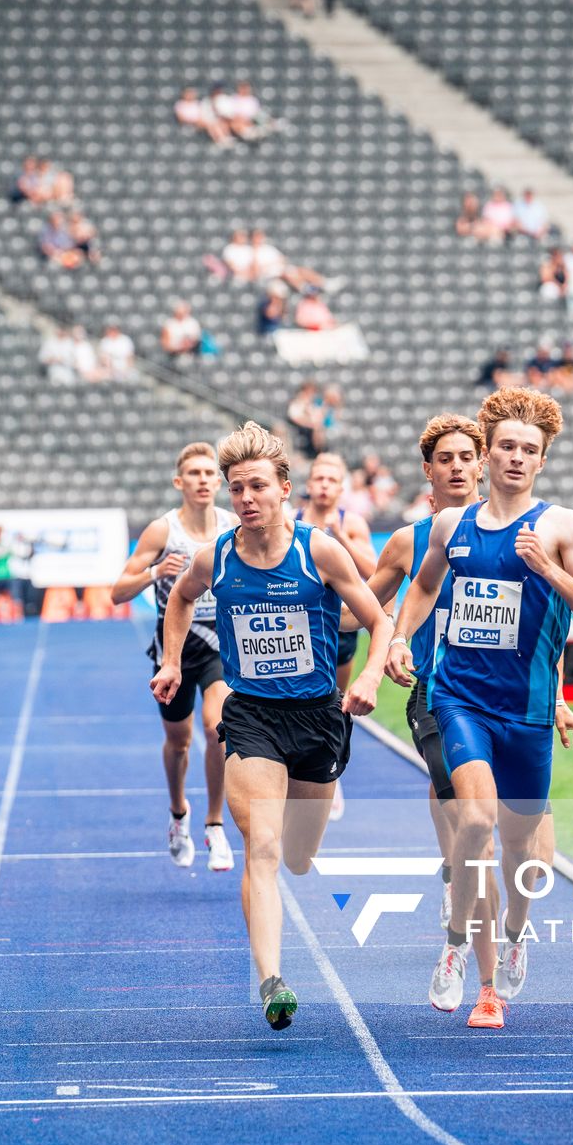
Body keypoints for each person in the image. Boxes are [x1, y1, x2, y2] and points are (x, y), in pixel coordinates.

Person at [152, 423, 392, 1031]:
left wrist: (366, 679)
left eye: (257, 486)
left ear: (285, 489)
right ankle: (271, 981)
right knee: (260, 844)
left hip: (317, 717)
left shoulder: (321, 552)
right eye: (237, 489)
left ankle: (301, 841)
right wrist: (174, 660)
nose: (246, 498)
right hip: (252, 716)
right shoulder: (218, 557)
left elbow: (379, 619)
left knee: (298, 857)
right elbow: (180, 600)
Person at [387, 388, 573, 1029]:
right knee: (477, 822)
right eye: (507, 446)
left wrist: (549, 571)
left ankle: (514, 934)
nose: (516, 458)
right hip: (461, 702)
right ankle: (464, 955)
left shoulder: (560, 526)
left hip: (528, 717)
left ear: (542, 461)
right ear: (488, 455)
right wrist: (402, 636)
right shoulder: (451, 527)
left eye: (529, 450)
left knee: (522, 858)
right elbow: (425, 585)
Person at [360, 414, 487, 933]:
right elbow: (360, 608)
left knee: (506, 821)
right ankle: (465, 899)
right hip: (435, 691)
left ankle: (459, 874)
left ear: (482, 465)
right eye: (444, 459)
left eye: (464, 457)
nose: (456, 467)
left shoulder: (522, 532)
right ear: (427, 472)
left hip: (504, 694)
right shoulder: (407, 542)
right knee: (462, 802)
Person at [114, 443, 241, 872]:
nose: (204, 480)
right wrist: (155, 572)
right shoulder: (161, 531)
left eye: (210, 473)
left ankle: (215, 825)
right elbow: (118, 591)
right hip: (174, 647)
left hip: (220, 645)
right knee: (179, 742)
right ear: (179, 481)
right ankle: (178, 813)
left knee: (218, 726)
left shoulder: (233, 525)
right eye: (195, 473)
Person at [296, 453, 376, 822]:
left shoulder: (351, 522)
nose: (325, 486)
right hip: (301, 626)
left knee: (336, 704)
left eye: (332, 480)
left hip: (341, 624)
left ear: (341, 488)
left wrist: (342, 538)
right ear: (309, 484)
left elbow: (375, 571)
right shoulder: (289, 521)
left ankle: (332, 770)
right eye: (320, 479)